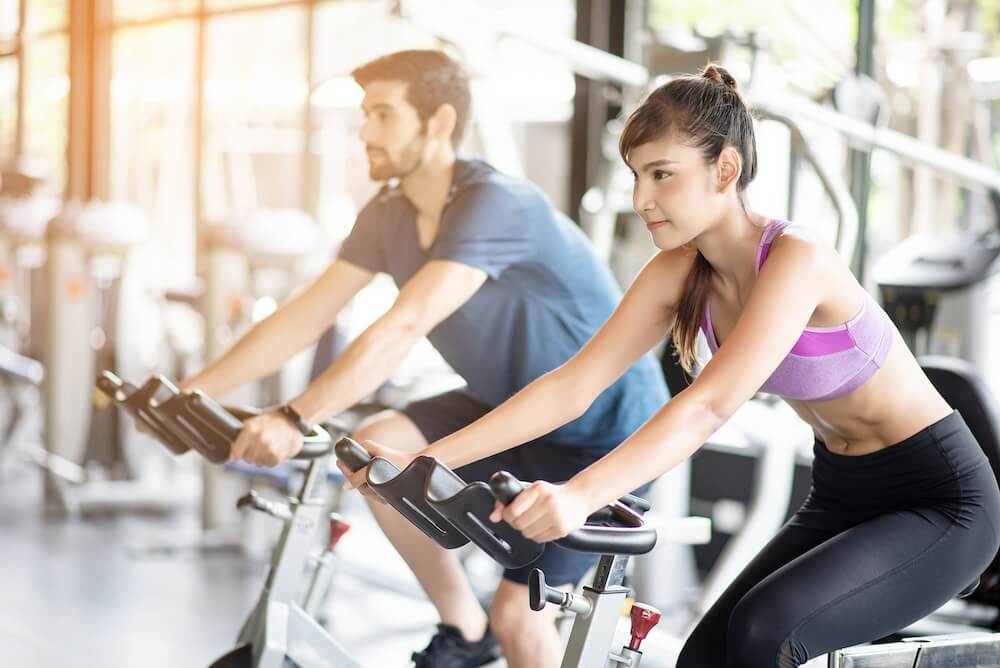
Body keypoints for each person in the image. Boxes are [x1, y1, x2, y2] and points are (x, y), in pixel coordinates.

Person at [353, 65, 1000, 667]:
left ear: (726, 169)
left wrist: (580, 496)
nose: (641, 196)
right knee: (705, 657)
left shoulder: (798, 259)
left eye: (662, 174)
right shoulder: (678, 270)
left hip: (939, 500)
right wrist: (429, 461)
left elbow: (707, 407)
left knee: (764, 633)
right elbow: (571, 385)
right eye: (635, 175)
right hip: (841, 490)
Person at [181, 49, 667, 668]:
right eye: (365, 115)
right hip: (510, 409)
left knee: (520, 618)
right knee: (377, 447)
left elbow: (406, 322)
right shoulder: (388, 214)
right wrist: (192, 390)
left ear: (437, 123)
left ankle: (492, 628)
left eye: (383, 115)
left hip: (602, 431)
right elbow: (303, 315)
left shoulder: (496, 201)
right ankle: (465, 628)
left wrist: (292, 416)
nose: (365, 132)